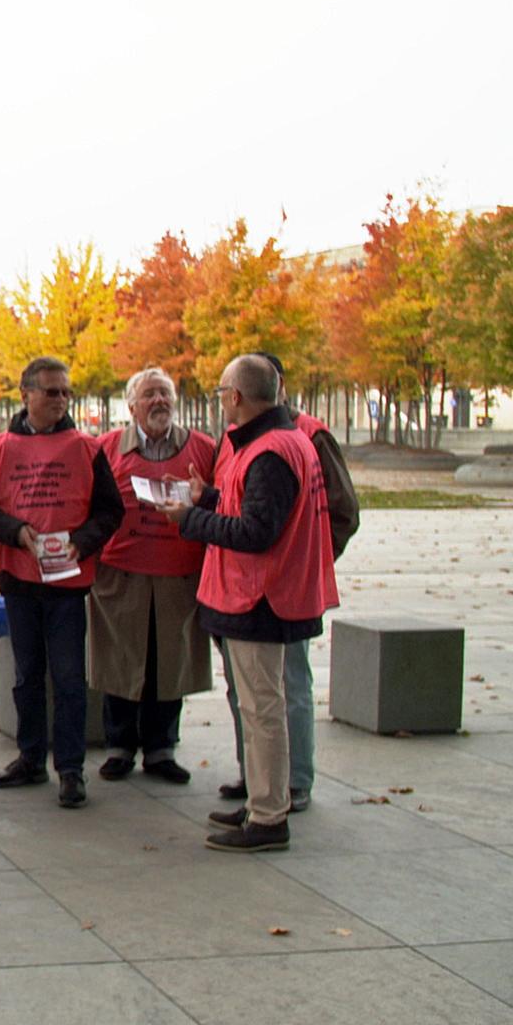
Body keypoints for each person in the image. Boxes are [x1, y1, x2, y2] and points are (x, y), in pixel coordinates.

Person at [159, 355, 339, 852]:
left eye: (221, 392)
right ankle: (263, 800)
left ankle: (268, 817)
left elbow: (258, 531)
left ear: (236, 396)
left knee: (262, 711)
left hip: (260, 599)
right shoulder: (273, 443)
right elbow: (251, 508)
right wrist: (211, 498)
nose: (219, 401)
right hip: (254, 596)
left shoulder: (270, 451)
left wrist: (189, 521)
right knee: (260, 709)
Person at [0, 356, 125, 808]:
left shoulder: (86, 448)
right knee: (27, 676)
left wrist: (82, 541)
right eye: (51, 391)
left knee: (71, 678)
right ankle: (31, 757)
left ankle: (71, 769)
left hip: (68, 582)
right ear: (26, 395)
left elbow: (110, 510)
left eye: (65, 392)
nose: (59, 399)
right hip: (19, 580)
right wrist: (15, 532)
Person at [217, 352, 360, 812]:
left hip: (276, 592)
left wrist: (306, 561)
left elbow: (340, 512)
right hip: (239, 588)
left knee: (284, 688)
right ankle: (260, 779)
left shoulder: (301, 437)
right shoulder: (238, 438)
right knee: (250, 695)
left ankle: (290, 784)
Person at [87, 368, 216, 784]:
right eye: (149, 395)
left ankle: (162, 748)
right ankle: (119, 746)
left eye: (165, 394)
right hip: (121, 574)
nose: (159, 402)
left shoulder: (203, 448)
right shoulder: (105, 448)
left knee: (169, 662)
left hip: (179, 574)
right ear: (132, 405)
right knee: (120, 661)